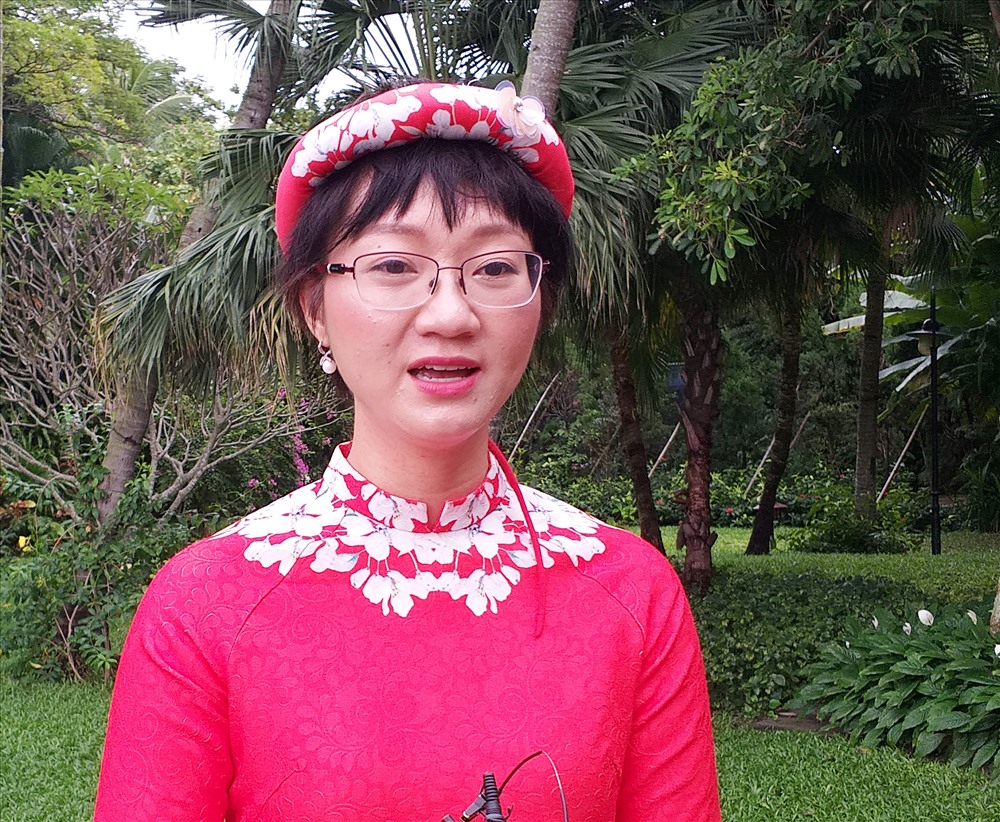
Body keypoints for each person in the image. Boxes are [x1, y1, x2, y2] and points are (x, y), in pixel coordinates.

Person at [95, 81, 720, 821]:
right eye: (394, 266)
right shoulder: (205, 604)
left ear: (540, 300)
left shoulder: (632, 593)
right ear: (313, 307)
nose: (450, 315)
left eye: (495, 268)